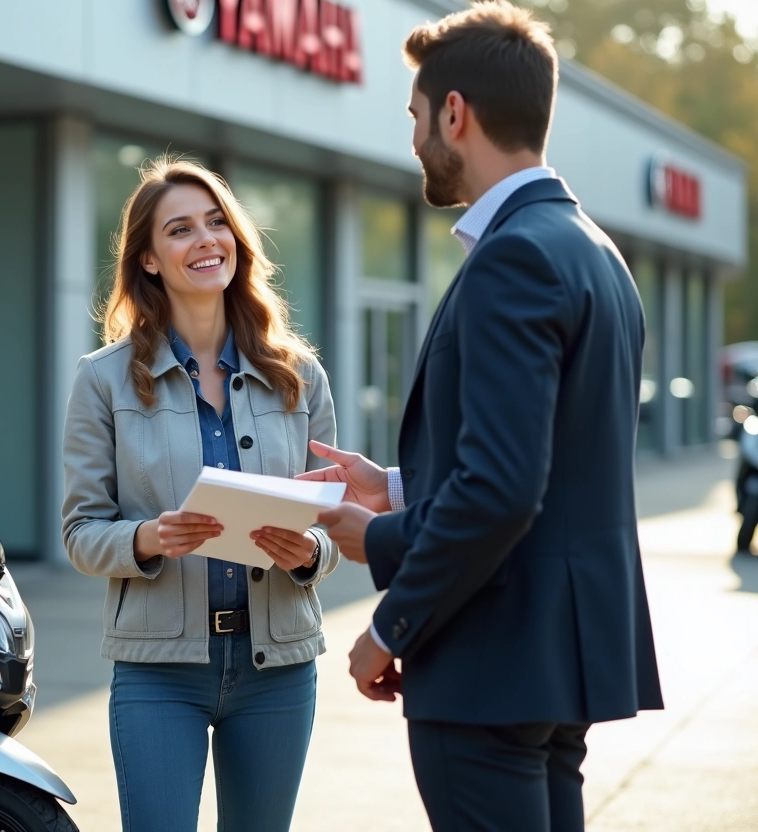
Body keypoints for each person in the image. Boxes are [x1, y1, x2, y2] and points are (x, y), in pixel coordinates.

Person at [298, 3, 664, 830]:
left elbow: (502, 490)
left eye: (415, 117)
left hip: (490, 662)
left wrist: (387, 603)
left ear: (453, 113)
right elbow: (555, 465)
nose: (416, 137)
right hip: (557, 665)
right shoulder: (596, 253)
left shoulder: (516, 258)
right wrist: (393, 486)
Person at [62, 157, 338, 832]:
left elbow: (335, 521)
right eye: (180, 230)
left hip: (278, 666)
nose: (205, 240)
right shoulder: (102, 381)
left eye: (217, 222)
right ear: (150, 260)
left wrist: (308, 554)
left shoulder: (298, 376)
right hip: (159, 671)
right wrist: (149, 538)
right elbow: (80, 532)